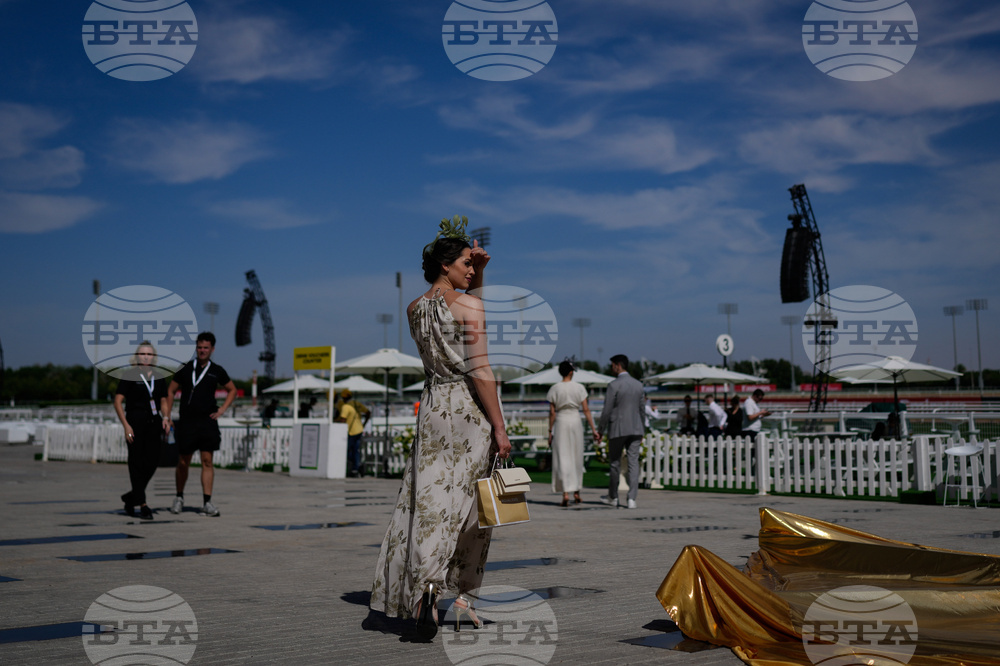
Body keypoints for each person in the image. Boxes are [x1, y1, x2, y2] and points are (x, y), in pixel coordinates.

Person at [367, 217, 512, 641]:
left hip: (432, 408)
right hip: (468, 411)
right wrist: (500, 427)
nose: (472, 269)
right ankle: (464, 596)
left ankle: (425, 586)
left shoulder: (413, 308)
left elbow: (457, 304)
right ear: (446, 264)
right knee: (472, 506)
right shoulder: (472, 305)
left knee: (428, 502)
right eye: (467, 263)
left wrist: (478, 275)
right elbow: (480, 367)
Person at [164, 332, 237, 518]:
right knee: (183, 462)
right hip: (187, 421)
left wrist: (221, 411)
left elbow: (232, 390)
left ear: (212, 349)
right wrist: (168, 415)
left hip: (207, 421)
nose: (202, 351)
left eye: (206, 348)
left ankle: (207, 502)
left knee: (207, 461)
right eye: (199, 347)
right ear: (196, 348)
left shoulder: (217, 370)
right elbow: (170, 391)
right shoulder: (186, 368)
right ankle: (179, 497)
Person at [113, 341, 170, 520]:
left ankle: (131, 497)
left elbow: (163, 401)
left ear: (154, 357)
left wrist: (166, 417)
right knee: (136, 462)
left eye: (150, 354)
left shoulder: (159, 377)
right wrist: (126, 425)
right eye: (143, 354)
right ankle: (143, 504)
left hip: (154, 423)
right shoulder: (129, 375)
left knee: (152, 462)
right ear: (137, 356)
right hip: (135, 423)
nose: (146, 357)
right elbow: (117, 401)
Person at [595, 354, 645, 509]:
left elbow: (607, 410)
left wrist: (600, 429)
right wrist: (643, 428)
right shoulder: (638, 385)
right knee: (633, 463)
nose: (611, 368)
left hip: (618, 428)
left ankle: (613, 496)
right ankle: (632, 498)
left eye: (612, 365)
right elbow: (642, 409)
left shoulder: (613, 385)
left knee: (615, 463)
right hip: (636, 428)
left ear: (618, 365)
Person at [547, 360, 597, 507]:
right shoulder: (580, 387)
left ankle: (566, 493)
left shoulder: (554, 388)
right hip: (575, 420)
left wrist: (550, 431)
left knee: (563, 456)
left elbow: (552, 413)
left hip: (561, 422)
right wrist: (593, 429)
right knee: (576, 456)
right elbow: (586, 410)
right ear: (571, 372)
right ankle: (576, 492)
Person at [338, 398, 364, 477]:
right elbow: (368, 412)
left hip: (352, 431)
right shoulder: (356, 403)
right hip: (359, 430)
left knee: (346, 450)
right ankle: (356, 467)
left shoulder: (346, 406)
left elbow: (343, 419)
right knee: (355, 450)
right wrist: (364, 424)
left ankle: (356, 465)